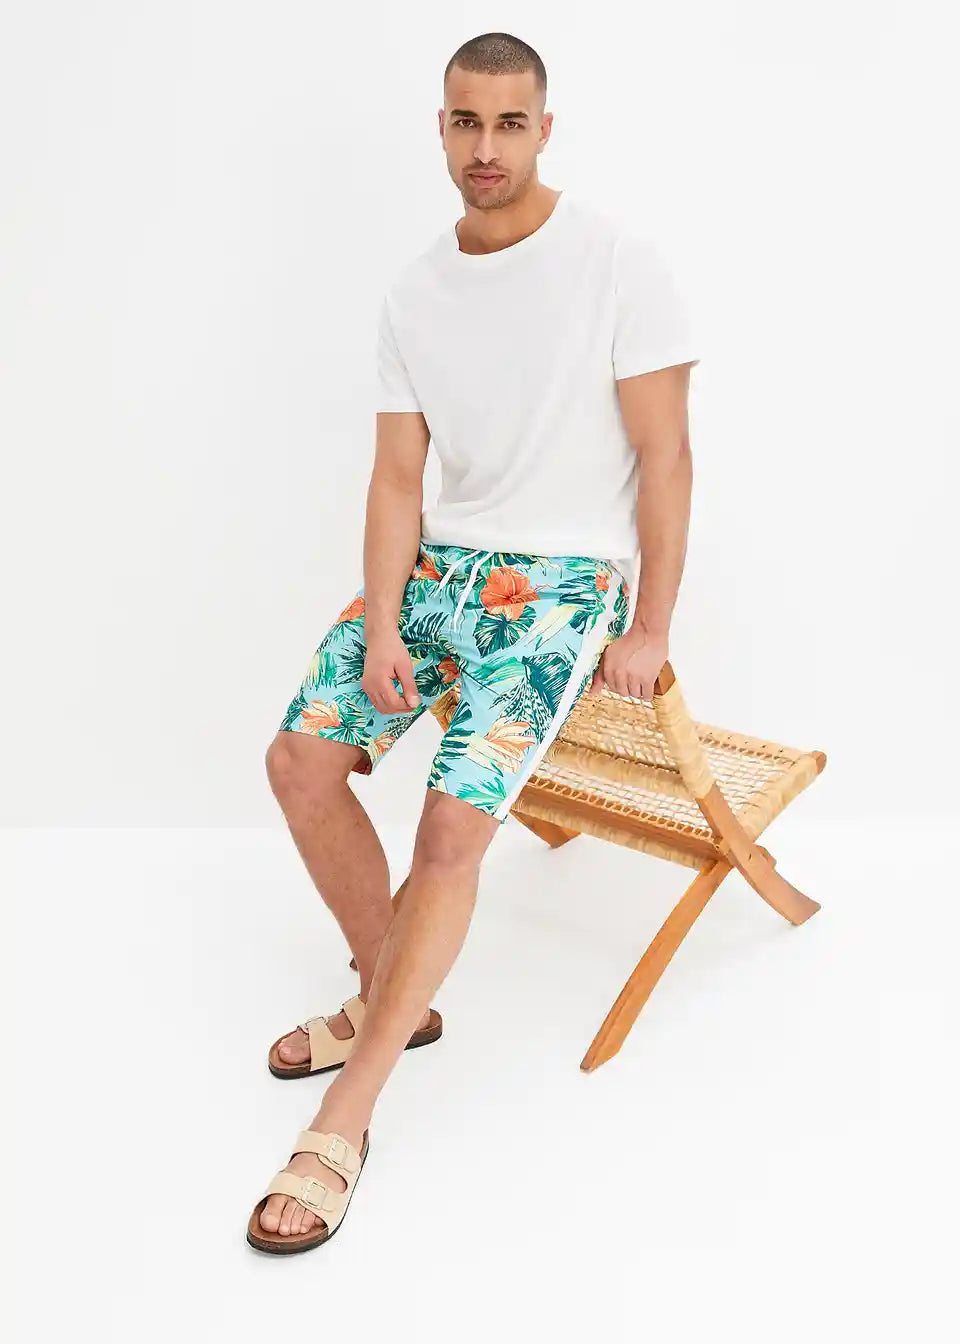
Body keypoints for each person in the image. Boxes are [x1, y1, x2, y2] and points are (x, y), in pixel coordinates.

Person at [247, 30, 700, 1253]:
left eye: (508, 123)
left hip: (564, 587)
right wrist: (383, 618)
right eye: (465, 122)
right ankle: (394, 989)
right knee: (300, 762)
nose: (485, 147)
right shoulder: (414, 292)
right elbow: (399, 478)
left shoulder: (620, 263)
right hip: (442, 570)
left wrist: (651, 622)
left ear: (544, 128)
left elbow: (666, 456)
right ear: (440, 128)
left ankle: (346, 1115)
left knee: (450, 831)